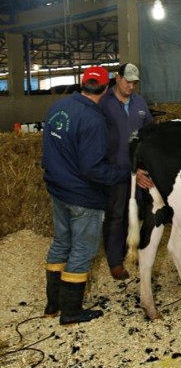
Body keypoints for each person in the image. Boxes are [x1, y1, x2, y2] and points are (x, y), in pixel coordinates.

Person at [42, 65, 131, 325]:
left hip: (57, 189)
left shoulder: (58, 108)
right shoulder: (93, 120)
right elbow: (93, 168)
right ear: (106, 88)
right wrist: (125, 173)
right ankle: (71, 311)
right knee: (82, 250)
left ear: (83, 84)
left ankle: (52, 305)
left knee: (61, 242)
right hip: (82, 196)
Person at [100, 63, 153, 279]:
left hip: (139, 167)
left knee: (141, 210)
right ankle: (115, 260)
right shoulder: (103, 103)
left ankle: (138, 250)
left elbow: (149, 129)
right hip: (115, 168)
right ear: (117, 77)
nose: (131, 86)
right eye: (127, 81)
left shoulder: (140, 102)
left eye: (134, 83)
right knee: (116, 213)